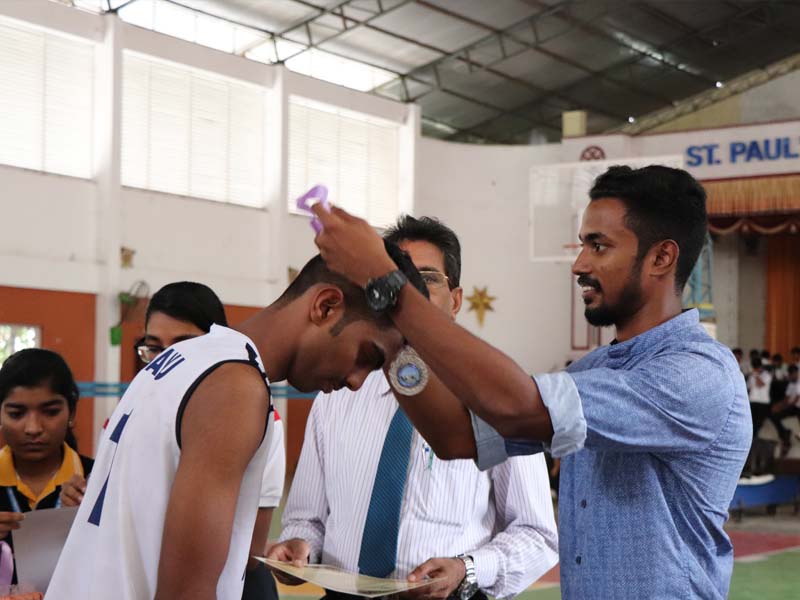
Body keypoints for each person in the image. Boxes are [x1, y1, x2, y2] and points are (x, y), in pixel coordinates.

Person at [310, 164, 751, 599]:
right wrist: (395, 344)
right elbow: (456, 435)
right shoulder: (591, 373)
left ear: (661, 258)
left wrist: (389, 286)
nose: (579, 264)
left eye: (598, 246)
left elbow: (517, 408)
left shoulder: (698, 374)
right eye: (583, 245)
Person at [47, 254, 418, 600]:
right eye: (367, 356)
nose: (357, 381)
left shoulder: (183, 358)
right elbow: (186, 593)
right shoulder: (235, 386)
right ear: (325, 307)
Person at [268, 217, 558, 600]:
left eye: (427, 278)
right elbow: (307, 519)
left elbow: (537, 535)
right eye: (394, 280)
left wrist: (467, 568)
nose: (410, 292)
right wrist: (299, 545)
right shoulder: (336, 396)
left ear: (456, 300)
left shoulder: (497, 400)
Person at [58, 281, 287, 600]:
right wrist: (84, 498)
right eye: (154, 348)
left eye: (184, 346)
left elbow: (249, 551)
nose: (166, 360)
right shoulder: (128, 413)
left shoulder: (256, 420)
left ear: (218, 346)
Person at [0, 349, 94, 582]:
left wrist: (95, 519)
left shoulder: (97, 481)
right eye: (16, 414)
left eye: (51, 412)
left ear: (71, 412)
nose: (33, 428)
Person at [748, 357, 772, 438]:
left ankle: (754, 438)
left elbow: (760, 384)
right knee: (751, 422)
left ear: (761, 366)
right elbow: (749, 387)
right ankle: (752, 438)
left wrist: (755, 375)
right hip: (752, 401)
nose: (756, 369)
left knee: (758, 423)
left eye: (757, 367)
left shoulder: (767, 375)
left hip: (763, 403)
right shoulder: (752, 375)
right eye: (755, 367)